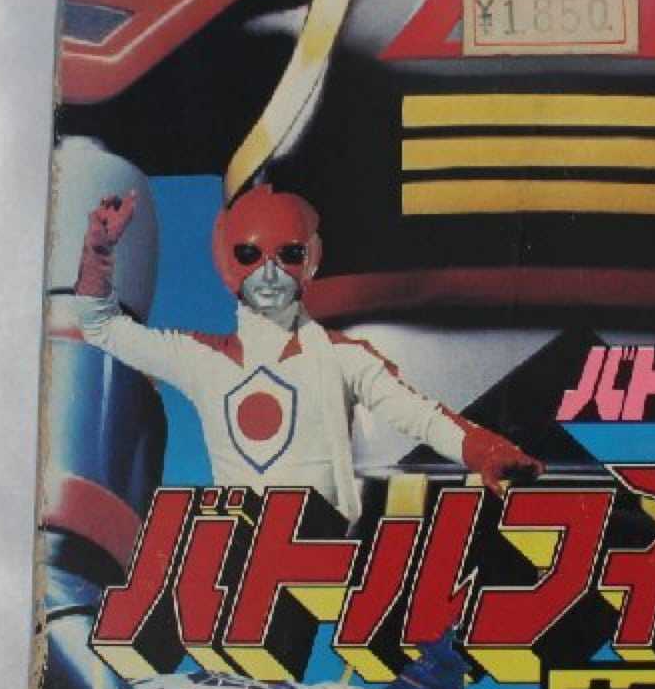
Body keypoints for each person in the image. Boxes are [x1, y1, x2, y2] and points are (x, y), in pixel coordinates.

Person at [72, 185, 537, 523]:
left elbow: (421, 416)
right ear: (227, 258)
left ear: (310, 259)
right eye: (250, 254)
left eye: (288, 254)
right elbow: (101, 328)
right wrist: (98, 254)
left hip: (321, 556)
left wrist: (485, 451)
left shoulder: (343, 356)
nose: (269, 273)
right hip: (242, 559)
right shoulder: (202, 359)